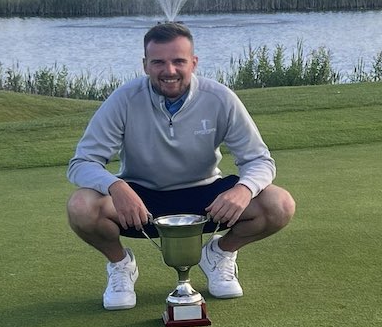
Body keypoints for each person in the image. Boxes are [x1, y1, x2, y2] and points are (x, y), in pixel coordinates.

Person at [66, 21, 296, 310]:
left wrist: (244, 189)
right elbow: (82, 162)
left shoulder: (220, 98)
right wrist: (116, 186)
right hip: (141, 201)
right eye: (158, 62)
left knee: (279, 204)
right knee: (81, 206)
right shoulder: (124, 99)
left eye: (179, 61)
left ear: (194, 63)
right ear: (145, 65)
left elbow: (259, 160)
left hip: (206, 198)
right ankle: (121, 265)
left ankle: (219, 254)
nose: (169, 70)